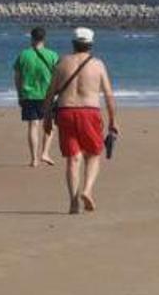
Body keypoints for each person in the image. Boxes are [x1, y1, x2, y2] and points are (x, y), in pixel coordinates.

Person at [43, 27, 119, 215]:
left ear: (73, 43)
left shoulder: (62, 63)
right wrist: (113, 121)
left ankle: (73, 202)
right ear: (90, 44)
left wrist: (46, 118)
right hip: (90, 112)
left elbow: (50, 93)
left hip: (66, 112)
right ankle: (86, 190)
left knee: (72, 158)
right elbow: (109, 95)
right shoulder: (98, 65)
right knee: (93, 154)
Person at [13, 26, 60, 168]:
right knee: (49, 126)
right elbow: (58, 76)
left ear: (32, 38)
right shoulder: (52, 55)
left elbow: (17, 77)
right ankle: (45, 152)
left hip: (28, 95)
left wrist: (19, 94)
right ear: (44, 39)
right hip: (48, 95)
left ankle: (34, 159)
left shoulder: (23, 55)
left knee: (33, 126)